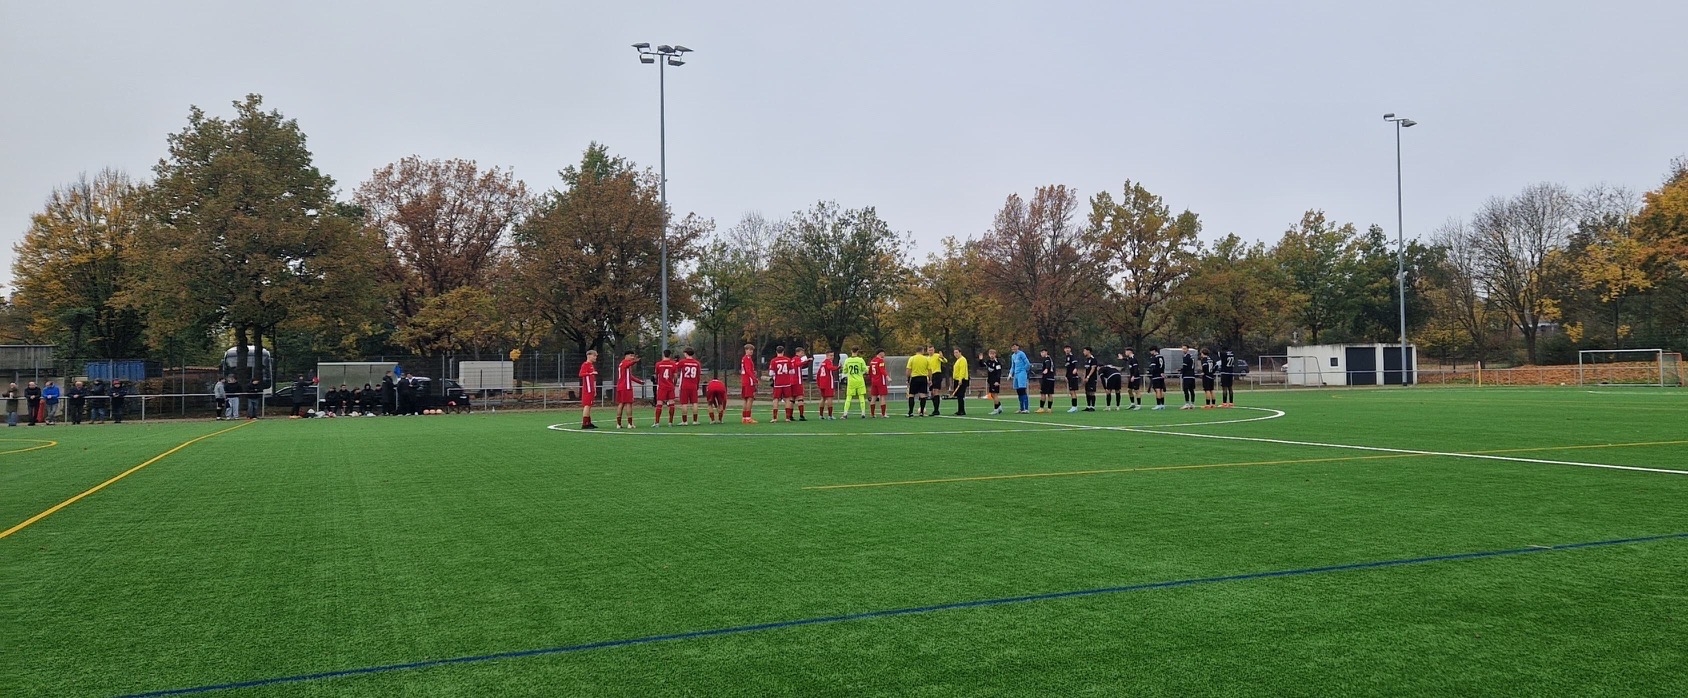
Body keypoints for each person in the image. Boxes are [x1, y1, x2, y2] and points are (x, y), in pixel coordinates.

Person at [614, 350, 642, 429]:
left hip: (620, 387)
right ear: (626, 356)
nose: (632, 357)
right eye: (631, 356)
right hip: (626, 387)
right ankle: (630, 424)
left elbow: (630, 376)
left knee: (621, 404)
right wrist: (635, 361)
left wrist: (639, 381)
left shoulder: (622, 364)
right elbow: (629, 364)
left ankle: (618, 424)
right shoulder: (625, 363)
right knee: (628, 404)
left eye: (633, 356)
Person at [677, 348, 703, 425]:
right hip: (693, 385)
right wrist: (697, 384)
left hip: (685, 385)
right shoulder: (697, 363)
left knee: (684, 403)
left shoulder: (683, 362)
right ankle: (695, 421)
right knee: (694, 403)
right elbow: (698, 375)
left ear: (686, 353)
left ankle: (684, 421)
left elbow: (676, 368)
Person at [768, 345, 793, 423]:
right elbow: (792, 371)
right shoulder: (788, 360)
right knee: (788, 399)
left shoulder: (773, 361)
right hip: (787, 383)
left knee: (776, 399)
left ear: (776, 352)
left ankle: (775, 418)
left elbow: (770, 373)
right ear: (783, 351)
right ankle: (787, 418)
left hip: (777, 383)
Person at [653, 349, 678, 427]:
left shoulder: (658, 364)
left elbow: (656, 375)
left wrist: (657, 381)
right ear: (670, 355)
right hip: (670, 386)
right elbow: (675, 376)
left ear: (663, 354)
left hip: (662, 386)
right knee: (671, 403)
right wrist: (674, 384)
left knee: (659, 404)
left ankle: (657, 423)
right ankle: (670, 422)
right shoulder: (673, 364)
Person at [840, 352, 868, 418]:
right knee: (861, 397)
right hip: (860, 381)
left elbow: (844, 371)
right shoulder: (860, 360)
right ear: (857, 351)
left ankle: (845, 414)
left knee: (848, 398)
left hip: (851, 381)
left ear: (851, 351)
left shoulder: (847, 360)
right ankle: (863, 413)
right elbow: (865, 370)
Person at [905, 346, 930, 417]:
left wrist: (908, 378)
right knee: (922, 395)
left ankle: (910, 412)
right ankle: (922, 412)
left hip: (915, 378)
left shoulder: (912, 358)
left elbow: (908, 370)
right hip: (923, 378)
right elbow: (929, 370)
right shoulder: (926, 359)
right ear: (922, 351)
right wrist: (930, 379)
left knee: (911, 395)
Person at [578, 349, 599, 429]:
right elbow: (581, 374)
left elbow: (593, 378)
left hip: (591, 388)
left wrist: (595, 389)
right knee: (587, 405)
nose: (595, 357)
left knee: (589, 405)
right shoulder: (585, 364)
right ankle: (585, 424)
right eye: (594, 356)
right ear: (589, 356)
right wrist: (590, 373)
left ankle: (588, 422)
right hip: (588, 389)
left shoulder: (591, 365)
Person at [739, 344, 759, 425]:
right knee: (750, 399)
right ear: (746, 350)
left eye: (752, 350)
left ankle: (744, 417)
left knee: (745, 399)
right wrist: (754, 378)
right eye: (749, 350)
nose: (751, 351)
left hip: (744, 381)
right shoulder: (747, 358)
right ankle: (748, 418)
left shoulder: (744, 358)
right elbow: (748, 370)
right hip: (748, 381)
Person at [979, 349, 1004, 415]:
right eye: (990, 354)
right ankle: (999, 407)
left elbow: (999, 373)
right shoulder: (988, 362)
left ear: (995, 354)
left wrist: (997, 381)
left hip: (995, 381)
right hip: (990, 380)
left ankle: (996, 410)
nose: (992, 355)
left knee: (995, 394)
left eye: (993, 354)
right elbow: (982, 365)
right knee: (992, 395)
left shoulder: (997, 363)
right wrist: (980, 360)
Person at [813, 351, 837, 419]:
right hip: (828, 383)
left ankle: (821, 415)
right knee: (829, 398)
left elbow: (818, 374)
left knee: (823, 398)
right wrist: (837, 367)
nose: (832, 357)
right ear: (827, 356)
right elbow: (830, 368)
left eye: (833, 355)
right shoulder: (828, 362)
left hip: (822, 383)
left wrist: (819, 383)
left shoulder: (823, 363)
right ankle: (830, 415)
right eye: (831, 355)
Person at [1009, 344, 1031, 414]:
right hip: (1016, 374)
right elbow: (1013, 366)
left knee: (1022, 390)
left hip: (1021, 373)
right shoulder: (1013, 356)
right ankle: (1021, 408)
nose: (1014, 348)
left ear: (1018, 347)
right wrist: (1010, 374)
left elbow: (1027, 363)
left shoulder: (1021, 354)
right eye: (1012, 347)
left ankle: (1026, 408)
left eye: (1015, 347)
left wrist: (1024, 370)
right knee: (1018, 391)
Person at [926, 345, 946, 416]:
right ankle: (935, 409)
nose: (931, 351)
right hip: (930, 376)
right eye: (929, 350)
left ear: (934, 350)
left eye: (932, 350)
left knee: (935, 391)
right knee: (931, 392)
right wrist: (928, 377)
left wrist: (942, 357)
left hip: (937, 374)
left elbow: (945, 361)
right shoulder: (927, 358)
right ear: (927, 351)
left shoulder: (937, 356)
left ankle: (936, 410)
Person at [949, 347, 970, 416]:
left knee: (961, 395)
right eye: (954, 353)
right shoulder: (958, 360)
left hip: (962, 380)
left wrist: (960, 379)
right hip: (957, 379)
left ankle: (962, 411)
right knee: (958, 396)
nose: (955, 354)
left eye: (957, 352)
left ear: (960, 352)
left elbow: (962, 370)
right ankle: (959, 410)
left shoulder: (962, 360)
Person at [868, 350, 889, 418]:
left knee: (874, 397)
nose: (884, 354)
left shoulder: (872, 361)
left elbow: (870, 371)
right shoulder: (880, 361)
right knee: (882, 397)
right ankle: (883, 414)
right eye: (883, 353)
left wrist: (871, 379)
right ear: (880, 353)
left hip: (874, 381)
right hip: (881, 381)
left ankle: (872, 414)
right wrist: (887, 377)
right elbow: (882, 370)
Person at [1062, 346, 1081, 413]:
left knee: (1073, 391)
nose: (1067, 349)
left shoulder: (1072, 356)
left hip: (1073, 376)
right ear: (1064, 350)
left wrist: (1076, 369)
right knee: (1071, 392)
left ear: (1070, 349)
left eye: (1068, 348)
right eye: (1066, 348)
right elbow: (1068, 369)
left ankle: (1074, 407)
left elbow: (1076, 364)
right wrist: (1066, 376)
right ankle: (1074, 407)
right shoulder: (1066, 358)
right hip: (1069, 376)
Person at [1178, 344, 1198, 410]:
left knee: (1186, 389)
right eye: (1182, 348)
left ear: (1188, 349)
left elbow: (1185, 367)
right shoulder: (1192, 357)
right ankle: (1192, 404)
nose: (1183, 350)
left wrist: (1181, 371)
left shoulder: (1186, 357)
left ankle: (1187, 404)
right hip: (1192, 375)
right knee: (1191, 390)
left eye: (1184, 349)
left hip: (1187, 376)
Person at [1037, 349, 1057, 413]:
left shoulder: (1047, 359)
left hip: (1047, 378)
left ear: (1046, 352)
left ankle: (1041, 408)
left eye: (1043, 352)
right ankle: (1049, 409)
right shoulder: (1050, 359)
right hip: (1051, 378)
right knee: (1050, 394)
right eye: (1041, 352)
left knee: (1043, 393)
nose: (1041, 354)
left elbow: (1048, 365)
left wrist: (1046, 369)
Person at [1081, 347, 1100, 411]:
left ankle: (1092, 407)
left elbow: (1093, 369)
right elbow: (1085, 369)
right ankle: (1088, 406)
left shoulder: (1093, 359)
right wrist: (1084, 377)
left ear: (1088, 351)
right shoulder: (1086, 360)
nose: (1083, 352)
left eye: (1084, 351)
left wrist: (1088, 377)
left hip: (1092, 378)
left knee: (1092, 392)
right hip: (1087, 379)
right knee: (1087, 392)